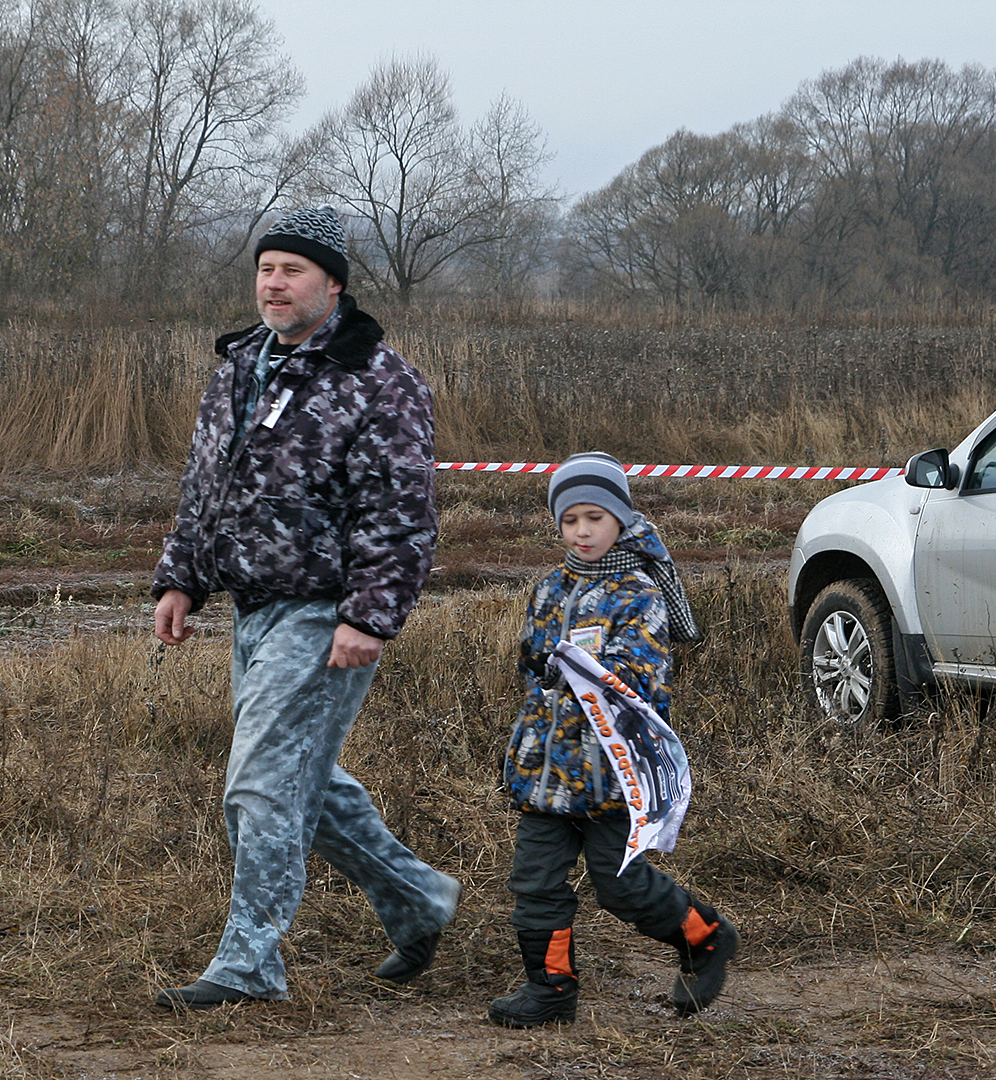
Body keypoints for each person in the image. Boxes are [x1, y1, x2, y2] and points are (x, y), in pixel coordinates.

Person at [150, 206, 460, 1010]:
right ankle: (420, 899)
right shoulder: (239, 366)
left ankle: (249, 967)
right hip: (251, 609)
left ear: (334, 285)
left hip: (324, 612)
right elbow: (203, 484)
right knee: (300, 778)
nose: (274, 284)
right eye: (266, 269)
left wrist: (368, 615)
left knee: (260, 783)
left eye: (293, 270)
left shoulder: (379, 380)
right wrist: (181, 577)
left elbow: (400, 512)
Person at [489, 452, 736, 1027]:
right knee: (535, 883)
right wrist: (545, 674)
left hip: (614, 773)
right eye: (569, 519)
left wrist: (582, 671)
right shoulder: (549, 589)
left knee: (620, 887)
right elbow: (530, 662)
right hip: (547, 772)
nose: (582, 530)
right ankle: (551, 990)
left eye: (594, 517)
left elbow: (638, 677)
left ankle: (704, 937)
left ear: (620, 519)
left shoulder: (639, 594)